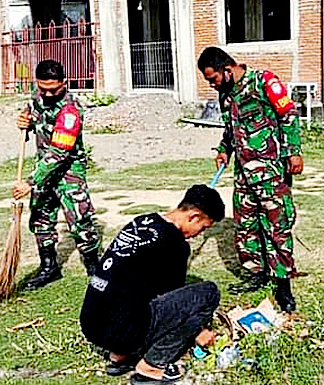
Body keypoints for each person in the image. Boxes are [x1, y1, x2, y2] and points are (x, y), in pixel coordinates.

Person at [80, 185, 225, 385]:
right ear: (194, 216)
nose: (200, 234)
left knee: (127, 292)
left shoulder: (143, 222)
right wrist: (198, 331)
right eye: (204, 227)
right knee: (209, 293)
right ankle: (151, 365)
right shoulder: (176, 244)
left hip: (91, 324)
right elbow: (172, 299)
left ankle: (120, 357)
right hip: (120, 331)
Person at [197, 47, 303, 313]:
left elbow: (288, 116)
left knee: (277, 226)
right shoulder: (226, 95)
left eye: (214, 79)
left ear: (227, 70)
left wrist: (293, 152)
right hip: (244, 174)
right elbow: (231, 130)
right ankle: (256, 274)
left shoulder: (264, 82)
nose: (212, 85)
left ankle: (283, 283)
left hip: (271, 172)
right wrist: (224, 150)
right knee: (246, 227)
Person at [13, 59, 101, 290]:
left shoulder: (70, 110)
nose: (48, 94)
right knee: (41, 219)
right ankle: (49, 268)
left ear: (65, 83)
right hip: (44, 169)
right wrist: (25, 122)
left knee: (80, 221)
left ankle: (95, 269)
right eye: (43, 89)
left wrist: (30, 182)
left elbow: (60, 151)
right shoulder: (36, 98)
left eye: (54, 89)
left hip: (68, 172)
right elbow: (35, 120)